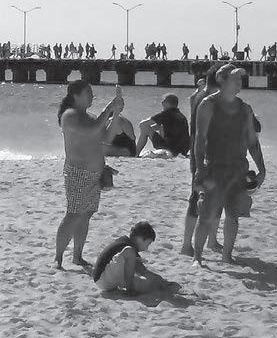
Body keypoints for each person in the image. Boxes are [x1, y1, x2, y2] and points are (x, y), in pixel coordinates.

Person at [192, 64, 266, 265]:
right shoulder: (208, 104)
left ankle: (227, 255)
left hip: (238, 169)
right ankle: (198, 258)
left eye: (240, 78)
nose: (239, 82)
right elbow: (200, 140)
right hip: (214, 168)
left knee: (233, 216)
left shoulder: (245, 108)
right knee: (206, 215)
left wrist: (262, 168)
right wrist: (200, 169)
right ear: (221, 80)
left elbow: (252, 141)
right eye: (234, 78)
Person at [55, 81, 122, 269]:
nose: (92, 96)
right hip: (78, 173)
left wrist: (116, 113)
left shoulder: (90, 117)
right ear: (76, 96)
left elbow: (106, 138)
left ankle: (77, 256)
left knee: (86, 215)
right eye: (88, 93)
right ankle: (58, 258)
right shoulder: (69, 115)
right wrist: (109, 108)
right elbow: (90, 131)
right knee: (73, 215)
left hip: (95, 173)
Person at [181, 67, 221, 255]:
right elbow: (202, 133)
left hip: (201, 153)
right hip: (203, 155)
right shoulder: (206, 100)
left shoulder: (200, 96)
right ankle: (187, 244)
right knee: (197, 198)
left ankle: (211, 240)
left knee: (211, 198)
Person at [93, 222, 175, 294]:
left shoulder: (128, 245)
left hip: (112, 280)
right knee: (130, 252)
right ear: (139, 239)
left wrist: (161, 281)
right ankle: (130, 289)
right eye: (148, 244)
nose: (146, 248)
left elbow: (142, 270)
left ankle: (166, 287)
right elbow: (141, 270)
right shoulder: (127, 247)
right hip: (103, 277)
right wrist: (160, 280)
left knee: (148, 285)